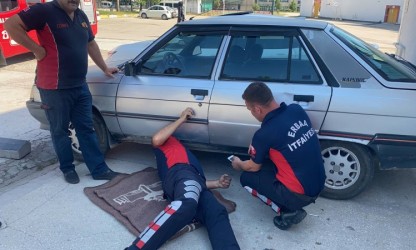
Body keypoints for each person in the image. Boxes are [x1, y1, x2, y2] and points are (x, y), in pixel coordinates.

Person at [4, 0, 121, 184]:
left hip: (80, 85)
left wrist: (105, 67)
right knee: (60, 131)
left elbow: (91, 44)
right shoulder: (44, 10)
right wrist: (36, 50)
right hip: (54, 87)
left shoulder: (81, 15)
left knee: (86, 128)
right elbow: (11, 24)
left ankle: (99, 169)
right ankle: (67, 169)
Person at [126, 107, 240, 250]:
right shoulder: (166, 142)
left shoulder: (181, 148)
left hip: (194, 181)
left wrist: (217, 183)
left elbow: (195, 184)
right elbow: (156, 139)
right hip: (180, 173)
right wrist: (181, 119)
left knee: (216, 210)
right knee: (187, 202)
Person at [230, 82, 326, 230]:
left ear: (257, 109)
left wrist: (238, 164)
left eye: (250, 109)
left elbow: (253, 167)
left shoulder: (265, 134)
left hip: (299, 195)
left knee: (246, 178)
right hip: (319, 183)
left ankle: (289, 212)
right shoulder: (296, 109)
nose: (251, 113)